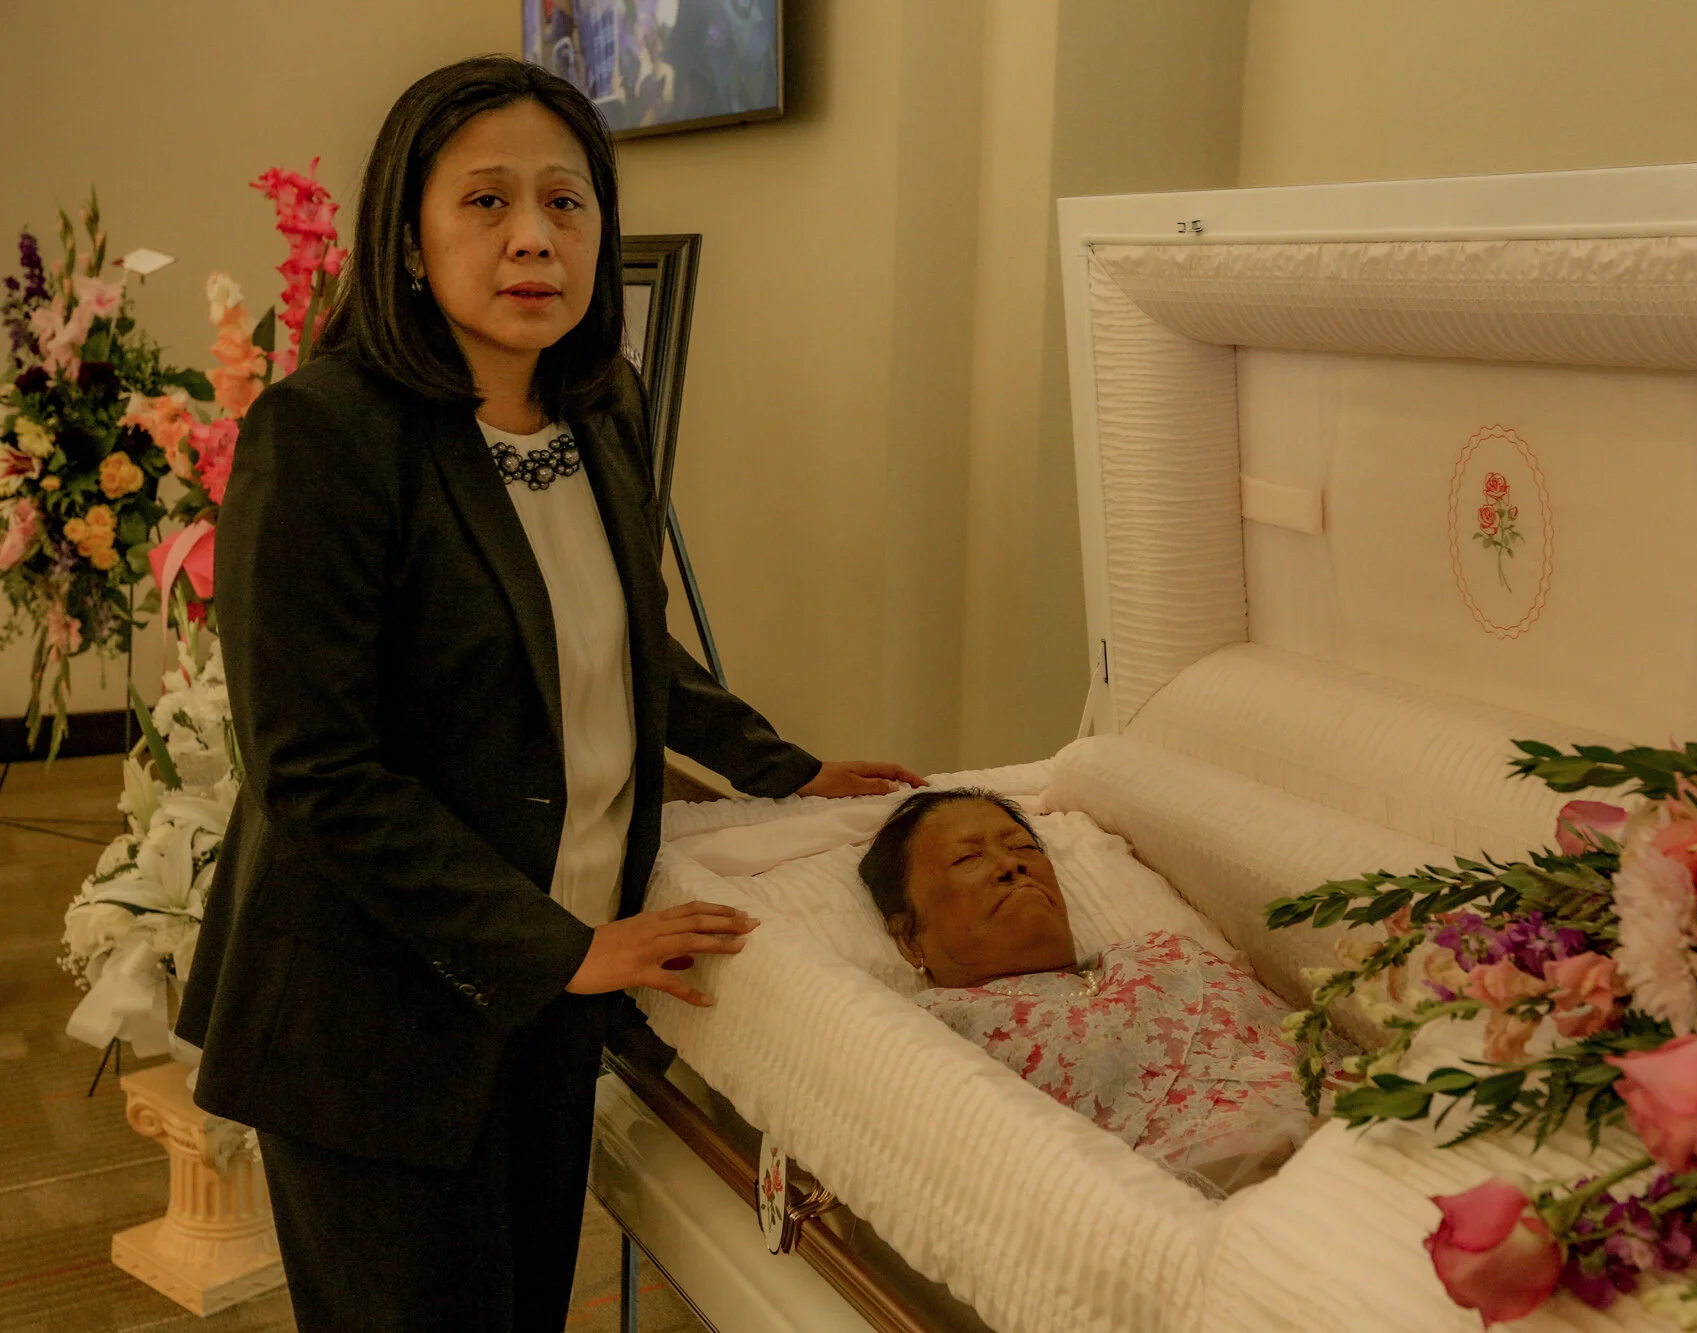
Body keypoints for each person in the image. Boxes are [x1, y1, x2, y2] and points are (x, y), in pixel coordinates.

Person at [174, 56, 922, 1332]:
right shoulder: (326, 433)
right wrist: (558, 947)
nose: (534, 237)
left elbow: (623, 641)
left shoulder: (600, 406)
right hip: (377, 1016)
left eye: (566, 202)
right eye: (487, 201)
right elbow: (314, 772)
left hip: (550, 996)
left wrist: (779, 766)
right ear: (407, 236)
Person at [858, 789, 1313, 1195]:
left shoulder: (1167, 952)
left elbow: (1315, 1049)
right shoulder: (933, 1030)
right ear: (909, 937)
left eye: (1022, 847)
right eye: (967, 858)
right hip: (1208, 1215)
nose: (1011, 865)